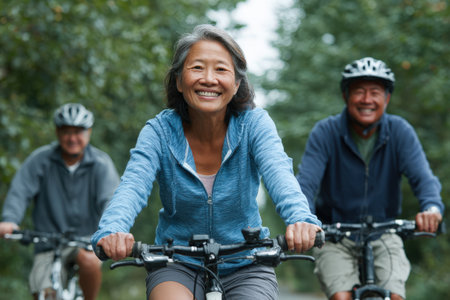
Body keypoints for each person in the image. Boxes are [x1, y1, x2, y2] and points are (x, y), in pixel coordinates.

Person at [92, 24, 322, 300]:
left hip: (246, 262)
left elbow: (279, 174)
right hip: (175, 262)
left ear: (237, 84)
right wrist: (112, 231)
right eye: (197, 67)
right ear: (179, 80)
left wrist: (301, 220)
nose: (209, 79)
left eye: (221, 70)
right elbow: (132, 187)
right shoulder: (159, 132)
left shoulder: (254, 125)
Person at [296, 57, 444, 300]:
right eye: (359, 92)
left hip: (384, 232)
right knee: (341, 296)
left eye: (375, 92)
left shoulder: (400, 131)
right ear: (345, 96)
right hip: (334, 234)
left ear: (386, 99)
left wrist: (431, 208)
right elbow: (306, 183)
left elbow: (423, 178)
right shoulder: (326, 132)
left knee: (394, 296)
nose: (367, 100)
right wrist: (304, 220)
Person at [0, 103, 120, 300]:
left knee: (89, 262)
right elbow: (19, 192)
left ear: (89, 132)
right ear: (57, 132)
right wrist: (9, 220)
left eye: (78, 132)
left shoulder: (101, 163)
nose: (72, 138)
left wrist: (111, 229)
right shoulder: (40, 160)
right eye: (66, 132)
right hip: (48, 242)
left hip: (85, 241)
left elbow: (111, 199)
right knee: (44, 292)